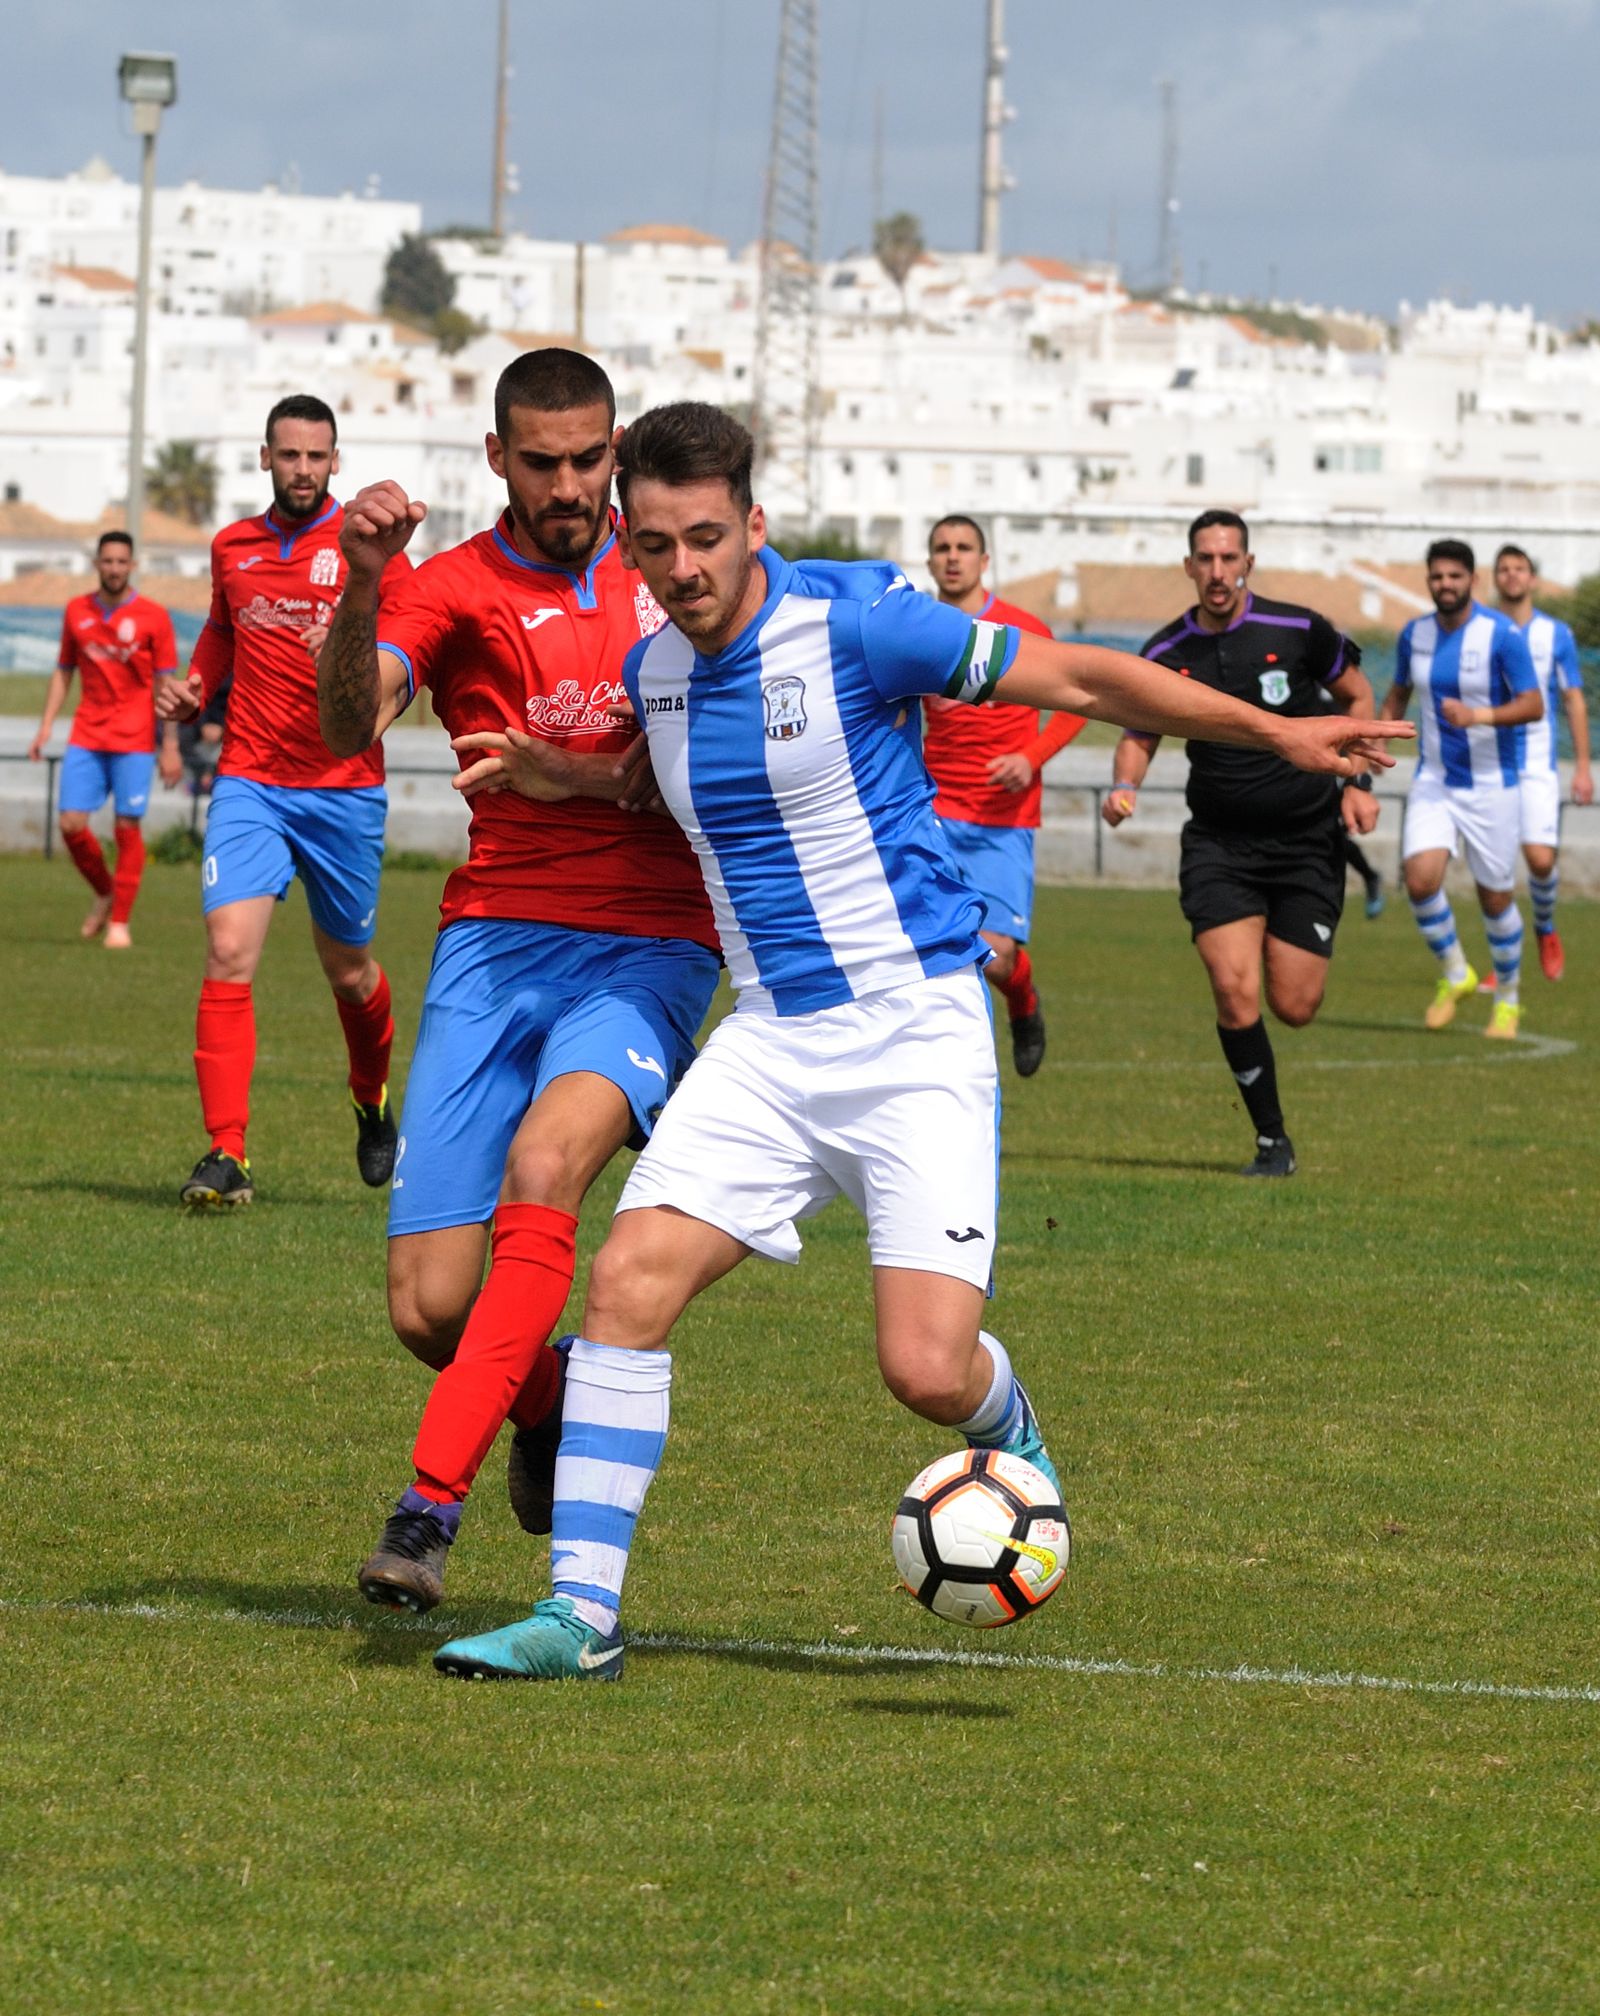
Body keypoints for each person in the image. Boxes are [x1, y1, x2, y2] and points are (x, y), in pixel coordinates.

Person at [415, 401, 1410, 1682]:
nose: (683, 571)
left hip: (912, 1030)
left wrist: (1279, 734)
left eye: (706, 539)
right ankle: (576, 1620)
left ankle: (1013, 1430)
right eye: (654, 547)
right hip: (768, 1042)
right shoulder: (655, 670)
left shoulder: (861, 623)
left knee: (925, 1371)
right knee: (622, 1287)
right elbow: (665, 776)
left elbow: (1088, 679)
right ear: (629, 538)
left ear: (753, 523)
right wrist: (574, 778)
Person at [312, 350, 722, 1616]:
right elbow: (340, 726)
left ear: (617, 451)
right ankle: (535, 1395)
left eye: (588, 459)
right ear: (496, 458)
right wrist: (364, 586)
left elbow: (715, 761)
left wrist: (574, 774)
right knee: (432, 1311)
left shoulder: (672, 574)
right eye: (539, 462)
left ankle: (425, 1510)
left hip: (652, 941)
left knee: (547, 1171)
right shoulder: (446, 588)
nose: (569, 486)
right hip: (494, 942)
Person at [156, 394, 411, 1208]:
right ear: (265, 459)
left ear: (336, 462)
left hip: (343, 787)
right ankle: (226, 1154)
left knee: (349, 971)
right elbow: (223, 631)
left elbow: (408, 660)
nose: (302, 469)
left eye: (316, 456)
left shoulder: (370, 550)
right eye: (288, 454)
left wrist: (347, 646)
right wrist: (198, 687)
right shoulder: (232, 546)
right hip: (251, 780)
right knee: (229, 951)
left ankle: (371, 1101)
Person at [1101, 511, 1379, 1178]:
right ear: (1190, 567)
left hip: (1308, 839)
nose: (1218, 572)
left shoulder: (1298, 628)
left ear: (1248, 564)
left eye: (1230, 558)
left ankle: (1291, 937)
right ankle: (1271, 1142)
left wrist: (1357, 779)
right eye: (1206, 559)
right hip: (1219, 846)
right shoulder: (1169, 651)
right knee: (1233, 990)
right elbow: (1141, 729)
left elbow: (1358, 694)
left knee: (1296, 1006)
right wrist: (1123, 784)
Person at [923, 514, 1084, 1075]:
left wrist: (1030, 758)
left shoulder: (1020, 627)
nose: (953, 556)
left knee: (995, 956)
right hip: (935, 812)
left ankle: (1023, 999)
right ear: (930, 561)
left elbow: (1075, 702)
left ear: (984, 561)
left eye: (964, 547)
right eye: (942, 547)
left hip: (1003, 820)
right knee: (925, 947)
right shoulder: (918, 629)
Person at [1379, 540, 1542, 1039]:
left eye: (1455, 576)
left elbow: (1534, 704)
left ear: (1473, 580)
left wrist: (1480, 715)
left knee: (1495, 898)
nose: (1445, 585)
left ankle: (1509, 1000)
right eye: (1437, 577)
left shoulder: (1502, 635)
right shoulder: (1415, 634)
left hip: (1494, 784)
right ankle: (1456, 973)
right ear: (1428, 581)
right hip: (1435, 780)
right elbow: (1398, 694)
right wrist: (1373, 745)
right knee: (1420, 879)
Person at [29, 530, 178, 947]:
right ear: (97, 564)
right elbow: (63, 670)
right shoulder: (76, 611)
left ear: (132, 565)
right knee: (70, 823)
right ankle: (104, 891)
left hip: (134, 738)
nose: (113, 568)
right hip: (88, 734)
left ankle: (119, 924)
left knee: (127, 827)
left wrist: (170, 747)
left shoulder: (154, 616)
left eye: (121, 561)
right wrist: (46, 726)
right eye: (107, 561)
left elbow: (167, 685)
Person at [1493, 543, 1592, 980]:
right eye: (1504, 569)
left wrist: (1584, 767)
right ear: (1495, 578)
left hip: (1536, 761)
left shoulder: (1556, 634)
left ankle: (1545, 927)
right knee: (1493, 867)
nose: (1512, 575)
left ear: (1532, 579)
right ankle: (1505, 956)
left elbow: (1572, 698)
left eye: (1520, 568)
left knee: (1539, 860)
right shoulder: (1482, 628)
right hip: (1489, 761)